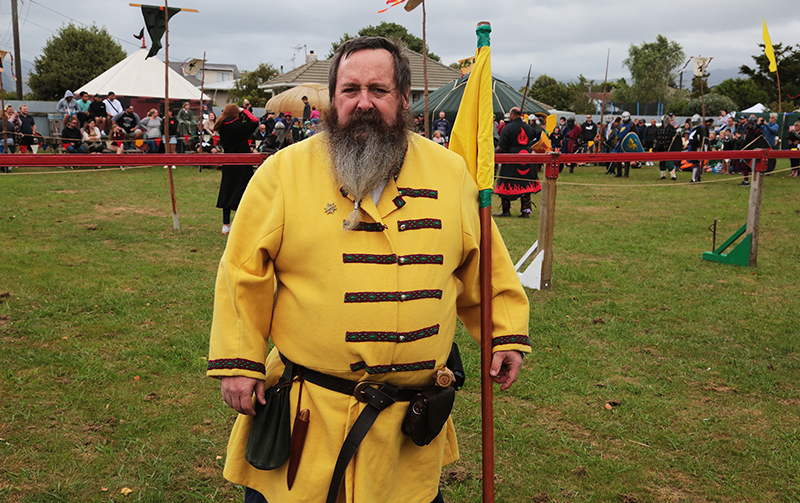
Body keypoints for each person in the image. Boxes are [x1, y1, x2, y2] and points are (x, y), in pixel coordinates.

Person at [207, 36, 530, 503]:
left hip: (406, 428)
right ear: (331, 100)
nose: (363, 102)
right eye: (350, 90)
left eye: (378, 90)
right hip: (310, 417)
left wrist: (504, 333)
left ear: (402, 99)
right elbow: (241, 273)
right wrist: (241, 363)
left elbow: (485, 268)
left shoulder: (449, 172)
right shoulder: (284, 173)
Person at [214, 104, 259, 235]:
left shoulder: (222, 126)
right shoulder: (238, 126)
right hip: (243, 163)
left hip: (228, 162)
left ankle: (226, 224)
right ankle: (240, 223)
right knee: (243, 192)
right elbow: (255, 121)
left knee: (227, 191)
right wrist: (244, 110)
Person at [494, 106, 539, 218]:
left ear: (512, 115)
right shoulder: (528, 128)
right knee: (525, 184)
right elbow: (535, 134)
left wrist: (496, 154)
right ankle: (525, 211)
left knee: (505, 183)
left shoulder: (508, 128)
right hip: (527, 158)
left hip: (512, 159)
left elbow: (502, 146)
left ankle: (506, 210)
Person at [653, 114, 681, 180]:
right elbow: (656, 139)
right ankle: (663, 175)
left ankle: (673, 176)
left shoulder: (671, 129)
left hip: (669, 147)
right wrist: (655, 148)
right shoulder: (659, 129)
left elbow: (675, 139)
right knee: (662, 162)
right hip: (661, 148)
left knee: (668, 162)